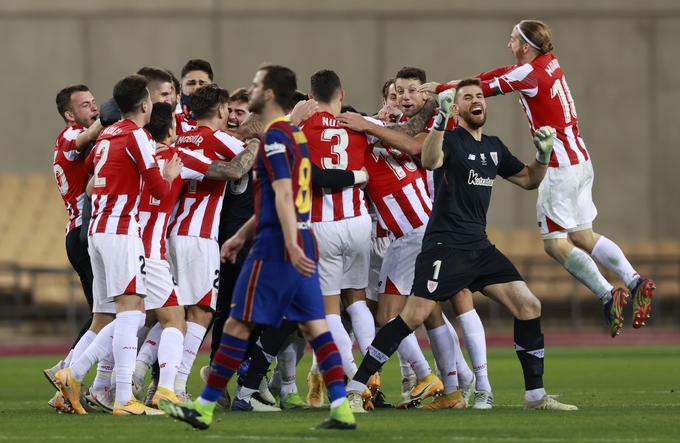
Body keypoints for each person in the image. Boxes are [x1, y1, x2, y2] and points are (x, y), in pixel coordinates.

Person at [345, 79, 578, 412]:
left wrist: (542, 157)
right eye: (468, 97)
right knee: (411, 316)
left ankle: (535, 396)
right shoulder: (450, 139)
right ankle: (356, 388)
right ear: (456, 109)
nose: (477, 100)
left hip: (479, 247)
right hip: (443, 246)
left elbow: (528, 180)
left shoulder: (495, 147)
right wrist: (439, 122)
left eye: (480, 96)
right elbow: (429, 159)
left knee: (529, 305)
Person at [422, 20, 655, 337]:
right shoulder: (548, 63)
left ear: (527, 45)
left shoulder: (527, 74)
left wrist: (442, 91)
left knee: (555, 244)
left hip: (558, 166)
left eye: (514, 39)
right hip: (581, 160)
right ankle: (635, 281)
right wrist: (450, 83)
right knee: (583, 235)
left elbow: (484, 89)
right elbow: (497, 73)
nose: (509, 44)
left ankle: (606, 294)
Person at [159, 64, 356, 431]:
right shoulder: (295, 134)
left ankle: (202, 408)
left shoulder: (276, 136)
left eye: (254, 84)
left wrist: (285, 241)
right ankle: (342, 408)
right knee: (316, 326)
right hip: (301, 237)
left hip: (278, 245)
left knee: (236, 324)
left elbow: (282, 193)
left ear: (267, 94)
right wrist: (241, 235)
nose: (248, 89)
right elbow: (281, 196)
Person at [55, 74, 183, 415]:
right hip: (121, 230)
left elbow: (91, 183)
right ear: (145, 105)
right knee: (133, 312)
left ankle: (71, 378)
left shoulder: (107, 135)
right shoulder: (138, 136)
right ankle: (120, 394)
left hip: (96, 229)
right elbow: (159, 190)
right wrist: (168, 176)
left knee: (106, 314)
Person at [166, 84, 249, 401]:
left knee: (170, 314)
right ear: (220, 110)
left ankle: (142, 378)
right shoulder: (215, 138)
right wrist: (256, 140)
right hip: (198, 237)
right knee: (201, 312)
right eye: (228, 109)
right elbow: (241, 164)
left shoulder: (182, 137)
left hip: (174, 231)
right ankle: (176, 386)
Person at [45, 84, 103, 412]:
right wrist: (109, 117)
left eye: (95, 103)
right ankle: (68, 370)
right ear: (70, 114)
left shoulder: (86, 136)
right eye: (86, 105)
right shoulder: (70, 135)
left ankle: (69, 373)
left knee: (105, 311)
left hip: (84, 232)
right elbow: (82, 140)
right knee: (108, 312)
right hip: (84, 231)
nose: (93, 108)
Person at [176, 59, 214, 135]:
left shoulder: (225, 116)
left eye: (202, 83)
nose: (197, 88)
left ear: (212, 87)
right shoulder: (171, 119)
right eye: (191, 83)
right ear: (181, 87)